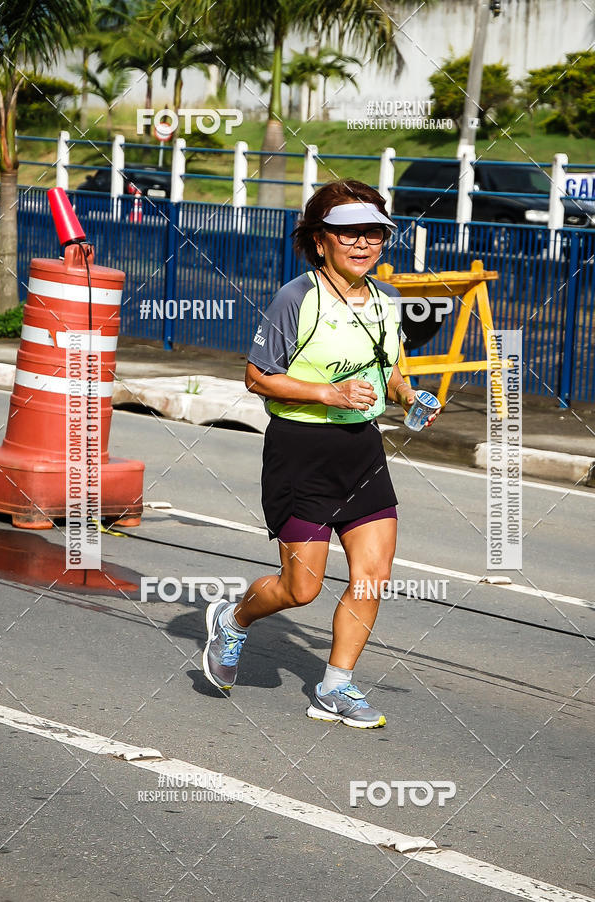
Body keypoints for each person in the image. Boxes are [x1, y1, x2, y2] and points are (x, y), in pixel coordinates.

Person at [203, 179, 439, 728]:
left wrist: (409, 396)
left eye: (374, 233)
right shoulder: (297, 297)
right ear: (320, 241)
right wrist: (327, 393)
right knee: (300, 589)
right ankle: (233, 619)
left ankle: (335, 687)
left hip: (362, 451)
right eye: (348, 233)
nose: (363, 243)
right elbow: (257, 377)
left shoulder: (387, 300)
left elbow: (389, 369)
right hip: (301, 452)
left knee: (372, 575)